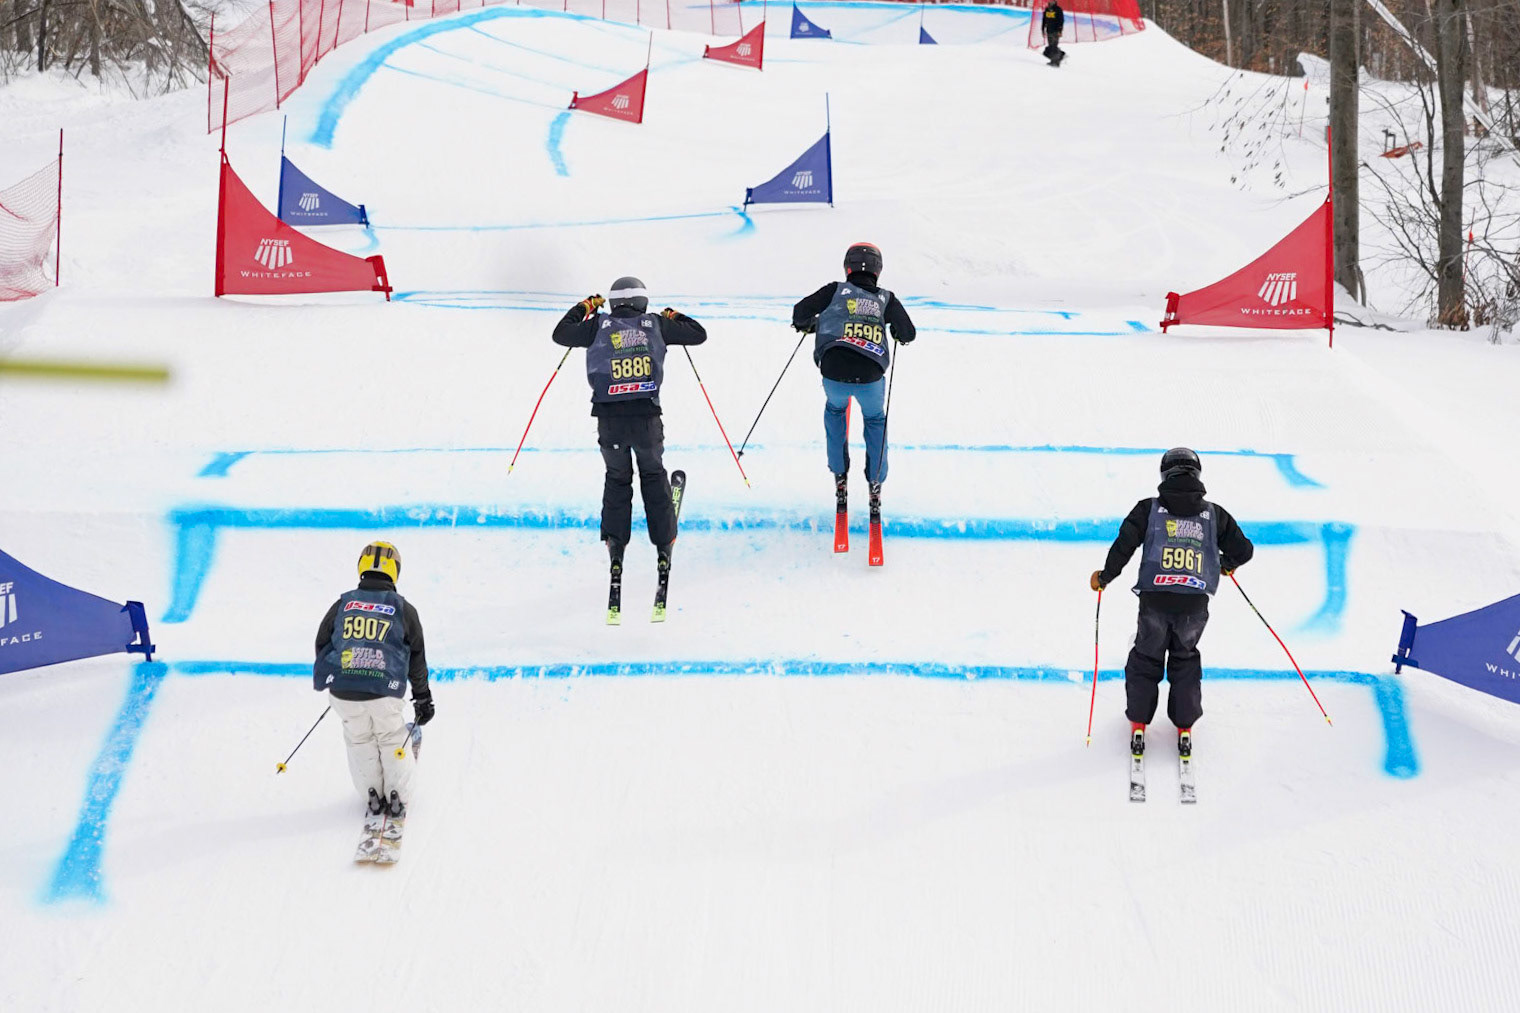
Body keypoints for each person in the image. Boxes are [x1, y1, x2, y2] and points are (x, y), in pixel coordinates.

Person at [1089, 448, 1254, 755]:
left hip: (1154, 602)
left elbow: (1123, 545)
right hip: (1194, 606)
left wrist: (1105, 576)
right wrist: (1225, 563)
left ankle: (1139, 721)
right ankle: (1185, 724)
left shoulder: (1148, 509)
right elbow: (1244, 550)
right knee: (1185, 659)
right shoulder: (1215, 515)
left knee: (1145, 659)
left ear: (1164, 475)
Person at [552, 277, 707, 576]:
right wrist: (674, 316)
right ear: (642, 301)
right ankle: (663, 542)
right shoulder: (656, 325)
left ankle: (615, 544)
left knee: (617, 478)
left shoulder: (597, 326)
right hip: (646, 419)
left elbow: (560, 333)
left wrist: (584, 307)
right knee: (652, 475)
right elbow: (698, 334)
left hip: (609, 422)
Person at [790, 242, 915, 521]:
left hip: (833, 373)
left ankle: (839, 476)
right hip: (871, 375)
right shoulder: (886, 298)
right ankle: (875, 481)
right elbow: (908, 333)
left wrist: (809, 324)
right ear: (878, 271)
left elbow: (800, 311)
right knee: (874, 420)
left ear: (847, 267)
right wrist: (895, 331)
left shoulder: (834, 290)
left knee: (835, 411)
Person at [314, 541, 434, 819]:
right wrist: (423, 698)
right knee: (392, 737)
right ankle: (397, 795)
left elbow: (322, 643)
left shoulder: (342, 604)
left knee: (359, 740)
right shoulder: (404, 609)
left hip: (343, 692)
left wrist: (339, 676)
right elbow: (417, 658)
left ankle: (371, 792)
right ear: (395, 571)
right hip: (384, 691)